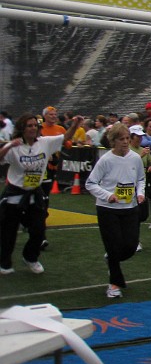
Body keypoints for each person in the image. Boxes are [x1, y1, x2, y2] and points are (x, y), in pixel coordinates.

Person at [0, 113, 82, 274]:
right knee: (9, 231)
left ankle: (30, 257)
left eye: (35, 126)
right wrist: (9, 146)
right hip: (15, 194)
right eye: (29, 126)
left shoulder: (44, 143)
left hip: (34, 193)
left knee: (38, 229)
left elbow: (65, 137)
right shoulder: (15, 146)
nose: (32, 128)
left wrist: (75, 125)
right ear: (22, 129)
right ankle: (5, 262)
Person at [85, 123, 145, 298]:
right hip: (108, 209)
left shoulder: (135, 158)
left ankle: (111, 258)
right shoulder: (105, 160)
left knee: (131, 246)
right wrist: (107, 195)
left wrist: (140, 193)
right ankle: (114, 285)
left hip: (130, 207)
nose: (125, 142)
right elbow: (90, 183)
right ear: (113, 141)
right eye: (121, 139)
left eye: (127, 138)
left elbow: (141, 178)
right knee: (113, 246)